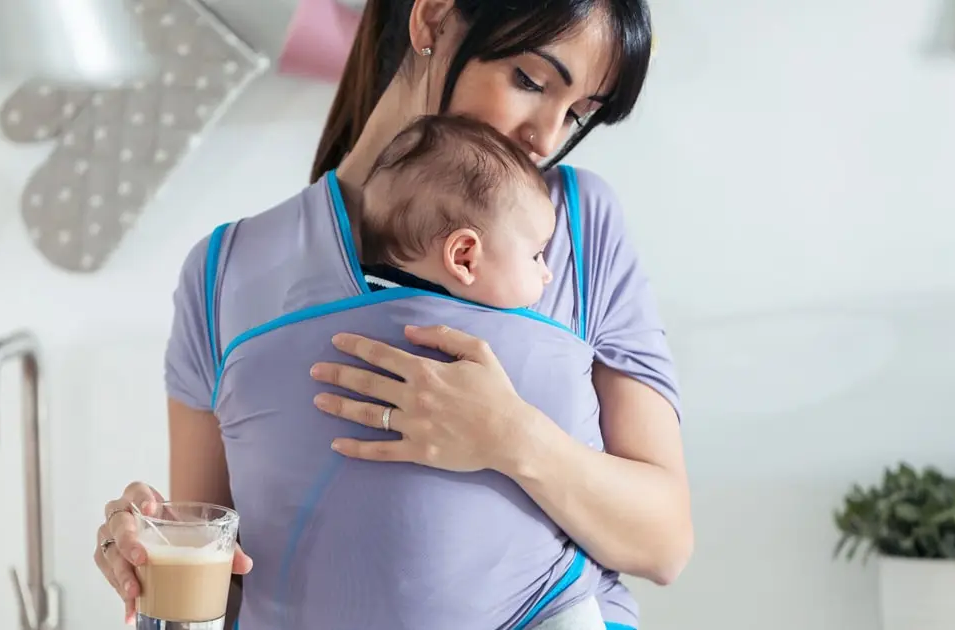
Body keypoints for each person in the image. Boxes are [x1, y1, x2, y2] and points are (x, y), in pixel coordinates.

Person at [93, 1, 694, 629]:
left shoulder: (573, 227)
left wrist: (512, 437)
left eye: (576, 113)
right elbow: (217, 572)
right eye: (530, 80)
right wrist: (146, 550)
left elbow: (665, 544)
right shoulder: (224, 271)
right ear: (432, 20)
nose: (546, 138)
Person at [357, 113, 557, 308]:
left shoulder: (356, 303)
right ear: (464, 258)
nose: (548, 275)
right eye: (535, 256)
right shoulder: (470, 326)